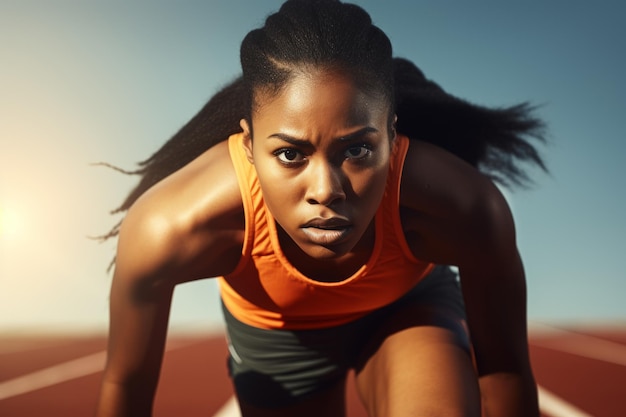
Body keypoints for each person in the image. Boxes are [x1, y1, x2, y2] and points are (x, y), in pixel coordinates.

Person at [95, 1, 548, 416]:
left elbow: (505, 372)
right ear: (249, 146)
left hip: (408, 311)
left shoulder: (467, 208)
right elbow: (124, 382)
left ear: (391, 136)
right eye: (291, 155)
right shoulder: (171, 227)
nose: (325, 190)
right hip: (275, 338)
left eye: (356, 151)